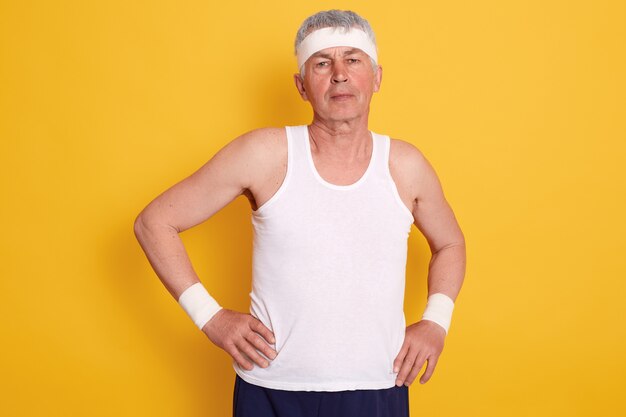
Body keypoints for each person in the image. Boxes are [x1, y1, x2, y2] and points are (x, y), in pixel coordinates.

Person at [134, 9, 465, 417]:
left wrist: (436, 321)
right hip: (271, 388)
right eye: (322, 63)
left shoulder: (405, 166)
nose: (339, 74)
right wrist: (210, 317)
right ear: (301, 86)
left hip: (378, 385)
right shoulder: (264, 154)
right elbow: (154, 222)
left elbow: (450, 243)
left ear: (376, 77)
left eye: (353, 59)